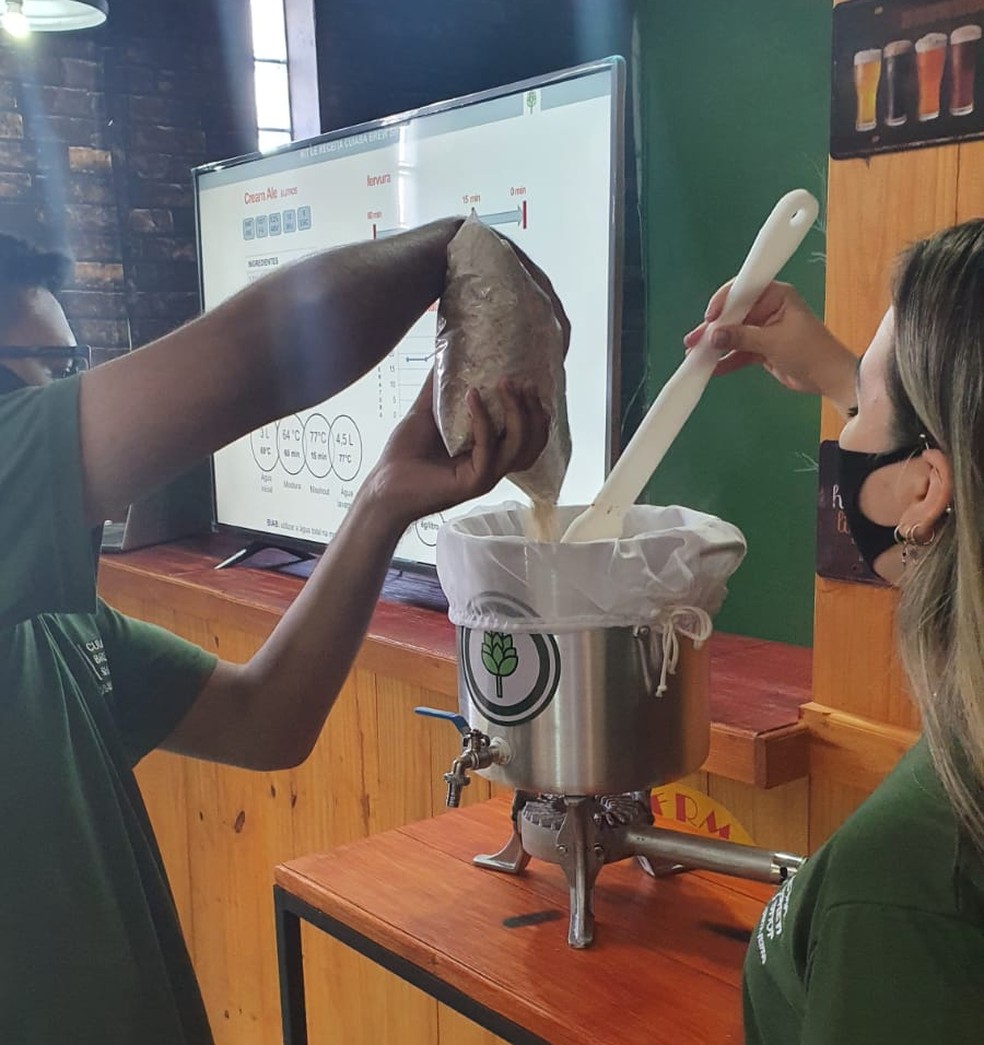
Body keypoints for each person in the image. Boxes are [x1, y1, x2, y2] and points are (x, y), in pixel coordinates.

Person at [0, 222, 558, 1044]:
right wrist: (457, 247)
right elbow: (255, 356)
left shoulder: (59, 630)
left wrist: (381, 501)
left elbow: (266, 718)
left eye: (68, 367)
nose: (62, 396)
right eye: (35, 379)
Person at [685, 219, 984, 1043]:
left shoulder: (907, 887)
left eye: (866, 402)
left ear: (927, 488)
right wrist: (838, 371)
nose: (846, 429)